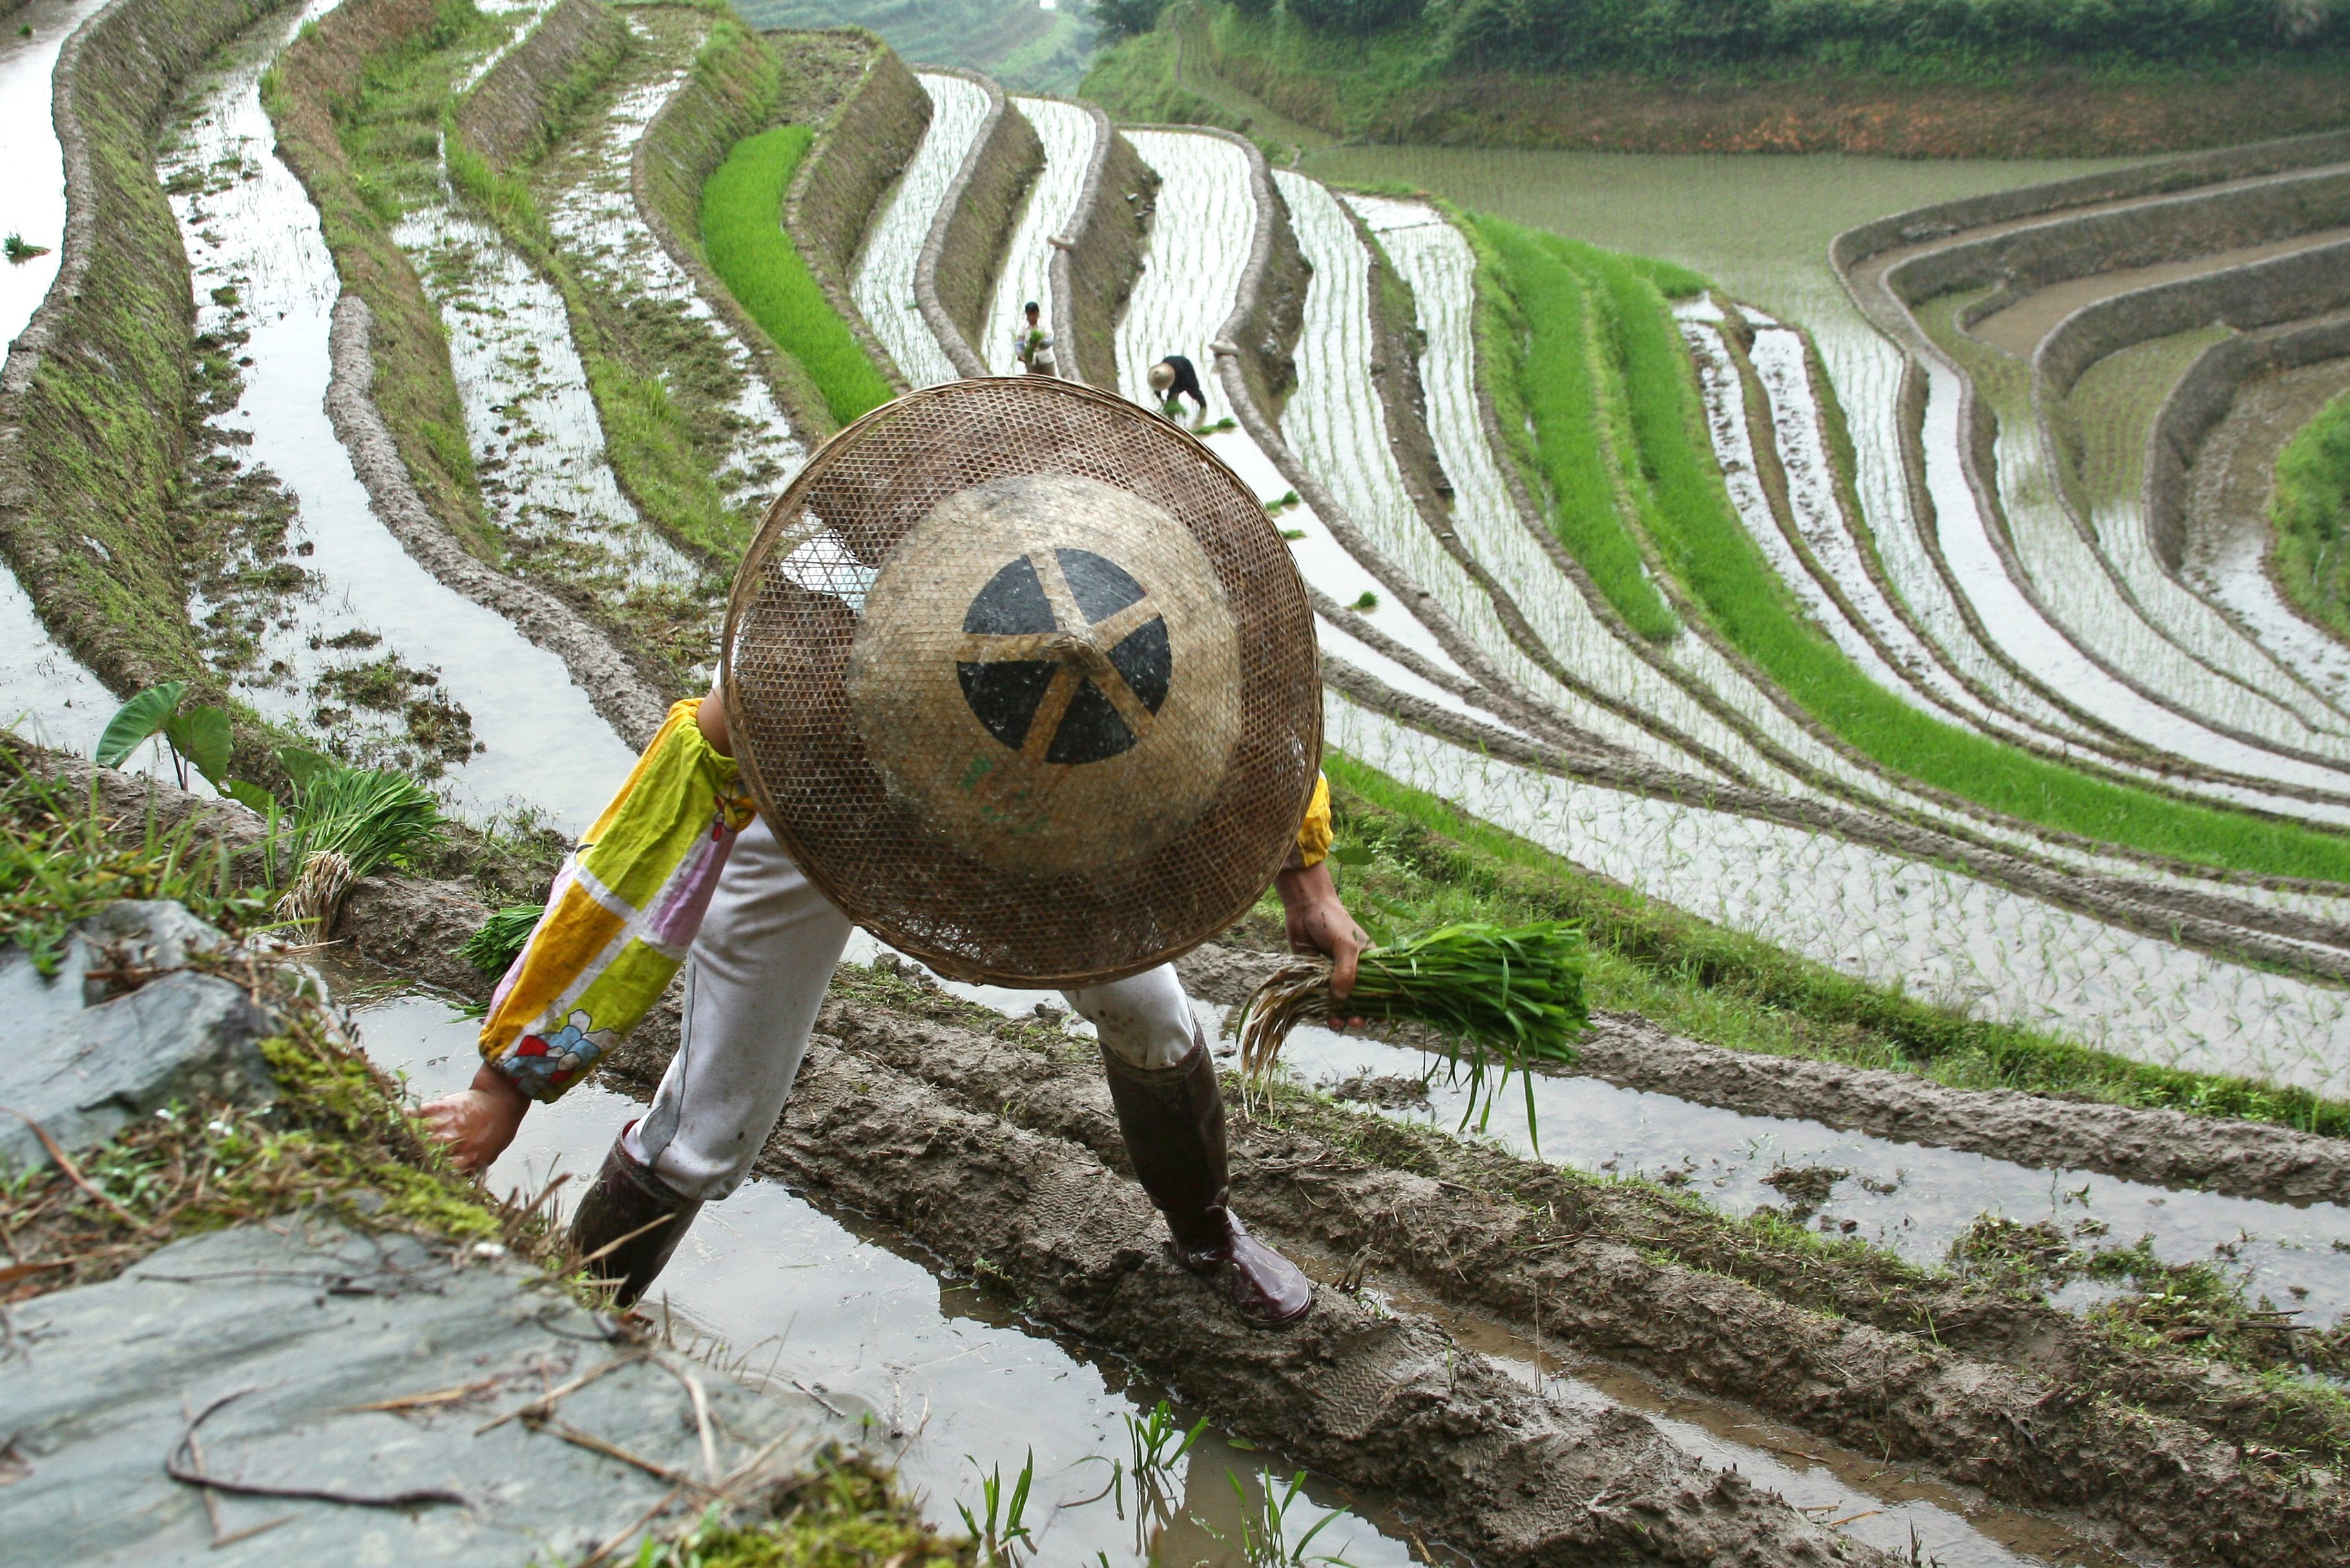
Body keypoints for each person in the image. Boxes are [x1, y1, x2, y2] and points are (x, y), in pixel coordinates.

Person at [1148, 354, 1207, 421]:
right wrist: (1161, 399)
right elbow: (1157, 388)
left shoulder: (1173, 373)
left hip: (1184, 368)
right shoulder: (1157, 375)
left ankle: (1203, 407)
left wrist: (1174, 395)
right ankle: (1172, 422)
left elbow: (1174, 390)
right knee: (1170, 401)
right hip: (1171, 368)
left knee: (1193, 390)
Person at [1010, 301, 1057, 375]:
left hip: (1047, 360)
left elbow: (1050, 340)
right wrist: (1020, 354)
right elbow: (1020, 343)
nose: (1031, 317)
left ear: (1038, 314)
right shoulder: (1023, 327)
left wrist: (1040, 343)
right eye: (1029, 314)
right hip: (1032, 361)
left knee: (1051, 382)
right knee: (1033, 383)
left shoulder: (1044, 324)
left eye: (1033, 314)